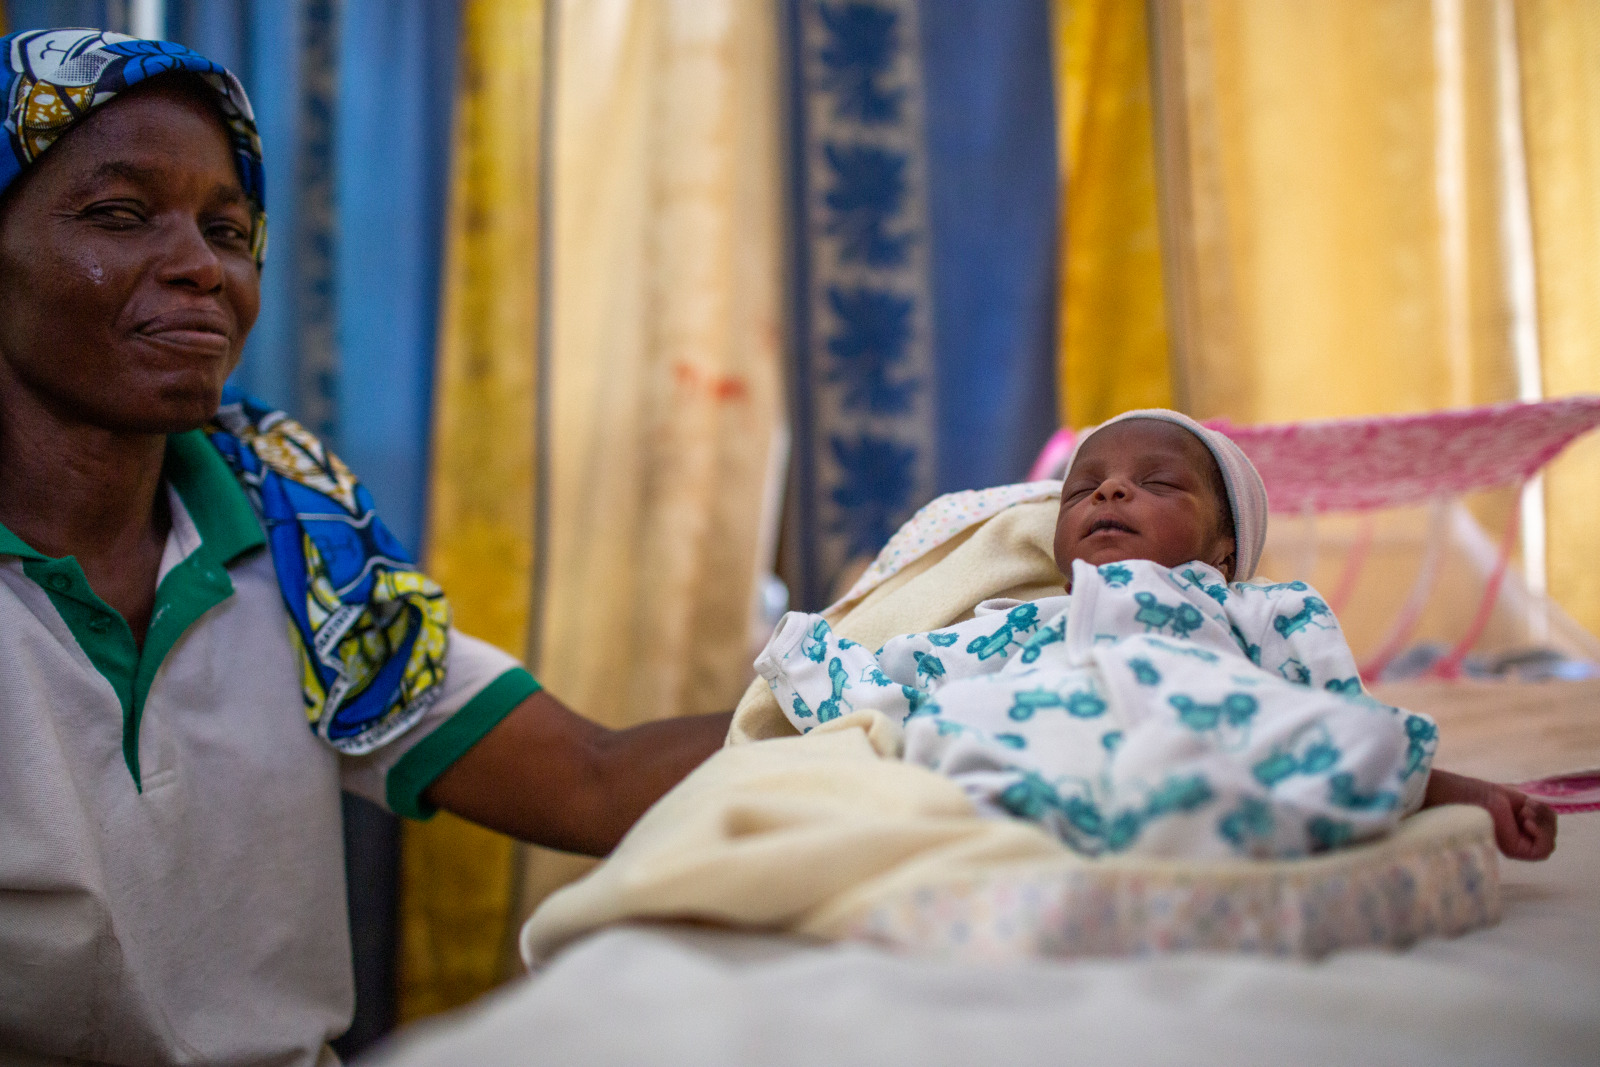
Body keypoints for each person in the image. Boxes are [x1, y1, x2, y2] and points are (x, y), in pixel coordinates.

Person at [0, 29, 729, 1064]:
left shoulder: (300, 549)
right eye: (120, 215)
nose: (200, 268)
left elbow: (591, 777)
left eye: (228, 227)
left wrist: (913, 679)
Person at [757, 409, 1557, 862]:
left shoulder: (1265, 613)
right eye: (1084, 488)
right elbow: (901, 684)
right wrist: (806, 649)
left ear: (1224, 548)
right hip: (1037, 765)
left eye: (1157, 481)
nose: (1109, 487)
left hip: (1214, 748)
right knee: (940, 746)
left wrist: (1473, 797)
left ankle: (1198, 823)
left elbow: (1345, 719)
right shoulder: (1017, 619)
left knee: (1337, 747)